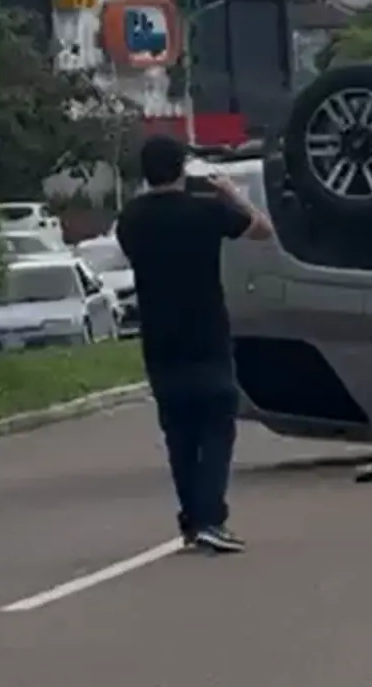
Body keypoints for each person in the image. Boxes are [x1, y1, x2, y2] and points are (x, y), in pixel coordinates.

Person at [117, 134, 275, 551]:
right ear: (182, 169)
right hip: (206, 333)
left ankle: (191, 519)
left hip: (159, 339)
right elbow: (263, 231)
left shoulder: (131, 219)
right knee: (217, 427)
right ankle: (210, 518)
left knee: (179, 434)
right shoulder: (206, 212)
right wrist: (234, 195)